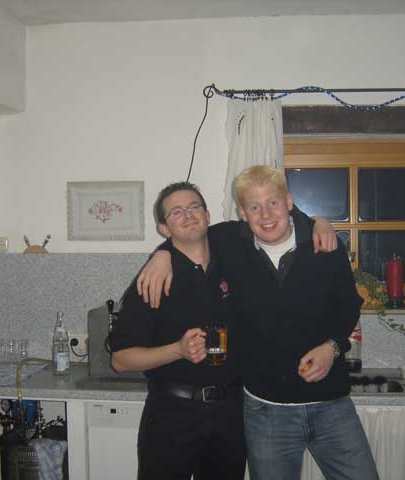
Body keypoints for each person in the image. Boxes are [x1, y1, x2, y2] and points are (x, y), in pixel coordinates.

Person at [137, 166, 379, 480]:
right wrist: (161, 255)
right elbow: (187, 233)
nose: (265, 215)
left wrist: (332, 348)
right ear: (242, 213)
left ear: (289, 202)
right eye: (254, 206)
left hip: (331, 403)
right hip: (266, 411)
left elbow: (348, 306)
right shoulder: (229, 242)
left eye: (273, 203)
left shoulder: (324, 246)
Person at [109, 182, 246, 480]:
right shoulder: (152, 281)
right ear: (164, 228)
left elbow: (274, 218)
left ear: (207, 216)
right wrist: (177, 350)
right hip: (172, 416)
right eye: (176, 212)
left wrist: (320, 224)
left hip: (231, 414)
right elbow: (120, 360)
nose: (188, 215)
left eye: (194, 207)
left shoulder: (232, 258)